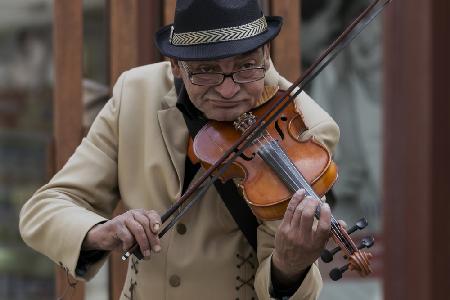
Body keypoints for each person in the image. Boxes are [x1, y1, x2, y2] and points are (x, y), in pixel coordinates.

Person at [19, 0, 340, 299]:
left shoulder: (303, 128)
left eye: (246, 66)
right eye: (207, 70)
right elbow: (46, 208)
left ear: (266, 53)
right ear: (175, 65)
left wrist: (291, 263)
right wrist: (101, 231)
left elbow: (282, 286)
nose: (229, 90)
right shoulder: (135, 93)